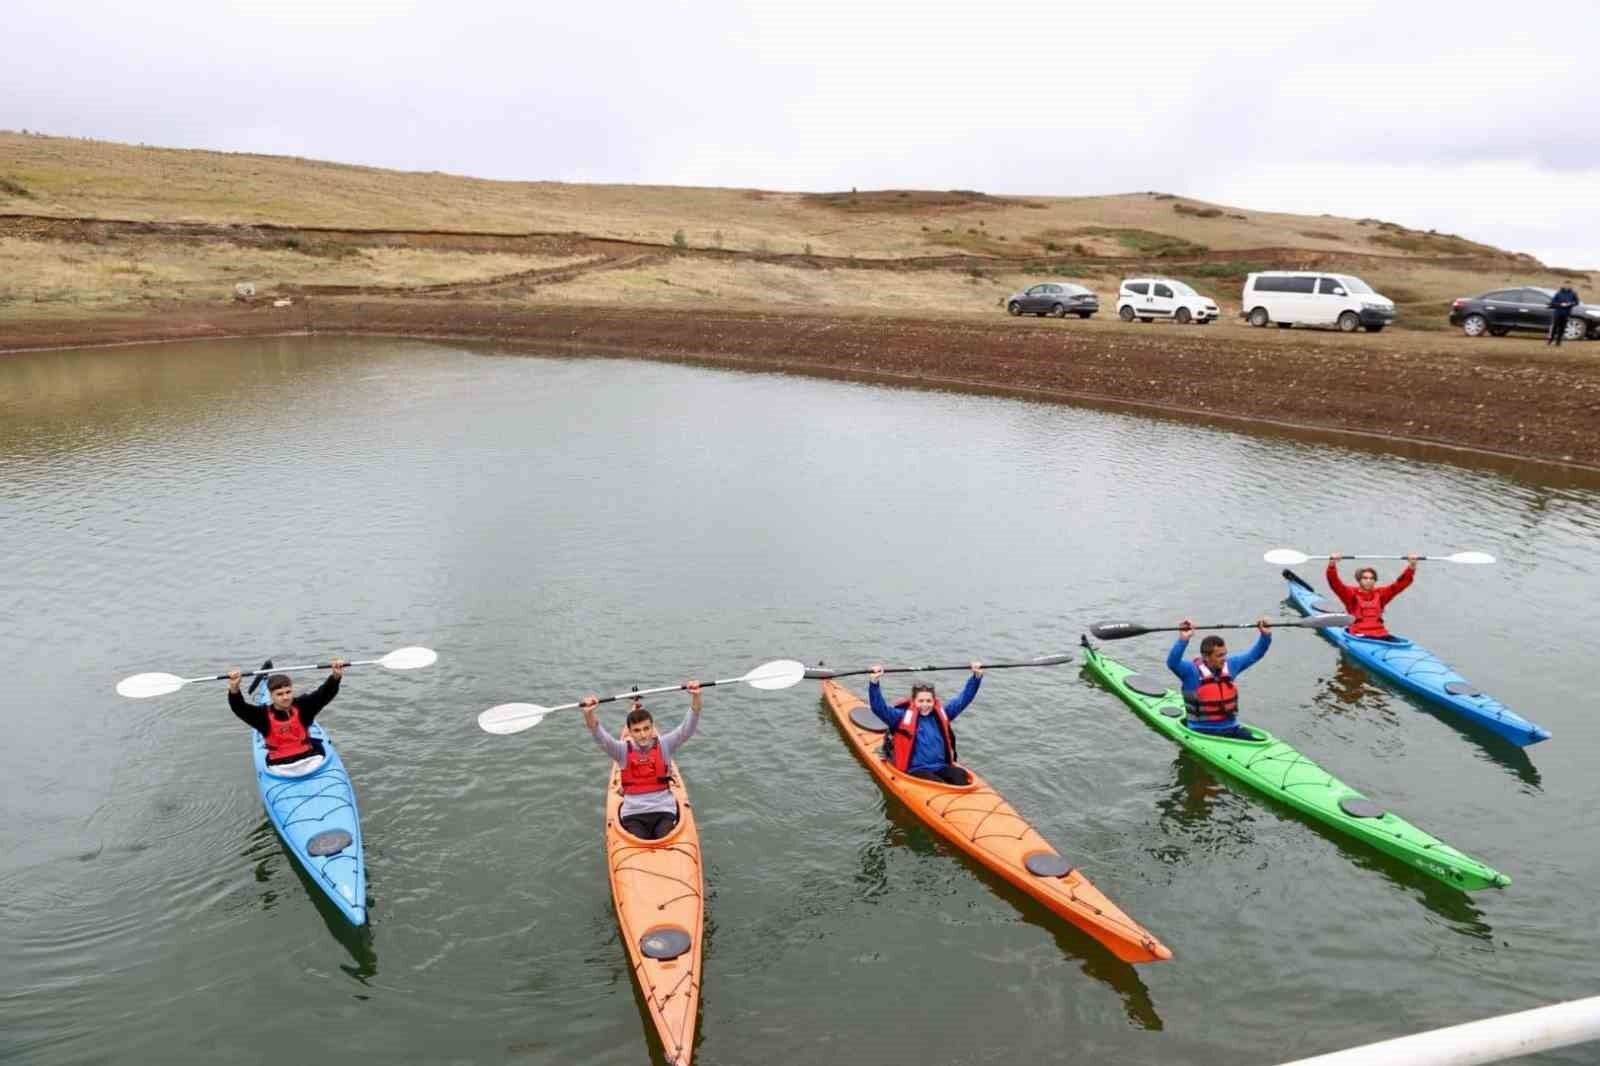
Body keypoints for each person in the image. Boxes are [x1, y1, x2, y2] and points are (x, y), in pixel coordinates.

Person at [583, 681, 701, 841]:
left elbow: (687, 728)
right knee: (639, 838)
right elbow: (599, 736)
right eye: (637, 730)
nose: (643, 734)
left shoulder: (665, 744)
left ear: (653, 728)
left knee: (665, 836)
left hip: (664, 810)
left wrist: (695, 696)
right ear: (629, 732)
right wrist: (589, 713)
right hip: (633, 814)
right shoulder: (621, 750)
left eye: (646, 728)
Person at [867, 662, 983, 785]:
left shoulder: (943, 714)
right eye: (921, 701)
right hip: (916, 770)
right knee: (937, 783)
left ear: (934, 701)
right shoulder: (900, 717)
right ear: (913, 701)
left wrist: (976, 678)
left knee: (960, 775)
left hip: (940, 766)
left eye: (928, 701)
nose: (925, 705)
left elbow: (963, 699)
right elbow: (879, 709)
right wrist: (874, 683)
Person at [227, 659, 346, 775]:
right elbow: (239, 708)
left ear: (292, 690)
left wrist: (335, 677)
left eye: (288, 692)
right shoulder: (262, 716)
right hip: (281, 767)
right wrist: (234, 688)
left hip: (309, 761)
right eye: (279, 694)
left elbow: (324, 693)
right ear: (271, 696)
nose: (285, 697)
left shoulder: (303, 706)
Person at [1166, 620, 1271, 739]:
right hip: (1202, 732)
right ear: (1206, 656)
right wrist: (1183, 639)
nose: (1224, 659)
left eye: (1224, 654)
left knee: (1255, 740)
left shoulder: (1231, 665)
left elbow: (1255, 654)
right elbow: (1172, 663)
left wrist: (1265, 635)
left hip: (1232, 728)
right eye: (1219, 656)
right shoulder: (1191, 672)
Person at [1325, 552, 1417, 639]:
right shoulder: (1350, 594)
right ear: (1359, 580)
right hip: (1358, 635)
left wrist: (1412, 566)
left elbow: (1401, 584)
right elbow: (1334, 583)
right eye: (1365, 578)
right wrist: (1332, 564)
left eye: (1372, 578)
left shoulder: (1382, 594)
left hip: (1381, 633)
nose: (1369, 581)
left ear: (1375, 580)